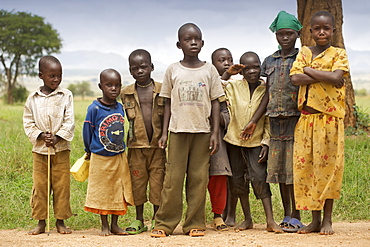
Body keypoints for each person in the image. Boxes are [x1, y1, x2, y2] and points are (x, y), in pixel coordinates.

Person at [150, 23, 224, 237]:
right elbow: (166, 103)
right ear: (179, 44)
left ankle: (194, 224)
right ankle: (164, 224)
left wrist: (214, 133)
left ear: (202, 43)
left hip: (202, 132)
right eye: (187, 39)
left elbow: (216, 102)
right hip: (177, 132)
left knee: (198, 179)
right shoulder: (173, 69)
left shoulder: (209, 70)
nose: (193, 42)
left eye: (197, 39)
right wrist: (164, 133)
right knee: (172, 180)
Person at [290, 10, 349, 235]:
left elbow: (337, 78)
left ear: (334, 31)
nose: (321, 32)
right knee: (307, 169)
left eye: (326, 28)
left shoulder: (339, 53)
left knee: (329, 169)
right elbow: (295, 78)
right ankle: (314, 220)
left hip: (331, 121)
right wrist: (326, 75)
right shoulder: (304, 52)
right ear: (310, 31)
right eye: (317, 28)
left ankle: (327, 220)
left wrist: (309, 71)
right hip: (307, 119)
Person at [223, 52, 282, 233]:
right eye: (247, 68)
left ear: (261, 68)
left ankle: (270, 220)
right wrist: (229, 73)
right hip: (234, 140)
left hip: (256, 143)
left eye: (256, 67)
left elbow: (267, 119)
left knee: (259, 178)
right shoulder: (233, 86)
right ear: (241, 70)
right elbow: (215, 85)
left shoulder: (265, 89)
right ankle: (247, 219)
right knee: (238, 181)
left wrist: (266, 142)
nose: (252, 71)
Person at [260, 10, 303, 232]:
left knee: (295, 171)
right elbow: (265, 92)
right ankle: (287, 213)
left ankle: (297, 214)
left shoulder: (303, 58)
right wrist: (255, 119)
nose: (284, 38)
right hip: (275, 122)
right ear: (275, 35)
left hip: (297, 121)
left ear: (297, 34)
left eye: (289, 34)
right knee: (280, 172)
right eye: (280, 34)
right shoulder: (269, 61)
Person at [23, 55, 74, 235]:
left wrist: (58, 137)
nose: (56, 79)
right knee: (40, 186)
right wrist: (41, 135)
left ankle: (60, 221)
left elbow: (69, 121)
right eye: (52, 75)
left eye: (59, 75)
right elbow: (28, 122)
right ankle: (41, 222)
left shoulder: (66, 95)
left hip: (61, 150)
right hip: (40, 150)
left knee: (61, 186)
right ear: (40, 75)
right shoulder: (32, 99)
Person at [83, 68, 134, 236]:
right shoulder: (94, 109)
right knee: (102, 191)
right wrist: (88, 150)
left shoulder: (120, 107)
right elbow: (87, 131)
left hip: (118, 156)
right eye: (109, 85)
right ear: (101, 86)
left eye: (117, 85)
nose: (114, 89)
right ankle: (104, 225)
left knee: (117, 191)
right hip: (100, 157)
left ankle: (114, 225)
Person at [121, 49, 166, 234]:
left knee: (158, 182)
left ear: (151, 67)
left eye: (143, 67)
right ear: (130, 71)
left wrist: (164, 135)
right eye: (135, 68)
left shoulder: (163, 89)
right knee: (137, 183)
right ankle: (139, 219)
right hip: (136, 147)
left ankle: (157, 219)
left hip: (158, 146)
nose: (140, 71)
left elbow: (168, 116)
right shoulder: (126, 93)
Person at [208, 48, 233, 231]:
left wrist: (216, 116)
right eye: (221, 60)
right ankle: (195, 215)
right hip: (196, 134)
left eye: (229, 59)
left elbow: (227, 114)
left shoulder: (235, 85)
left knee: (219, 175)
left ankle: (218, 215)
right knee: (196, 177)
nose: (226, 63)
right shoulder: (206, 80)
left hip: (220, 137)